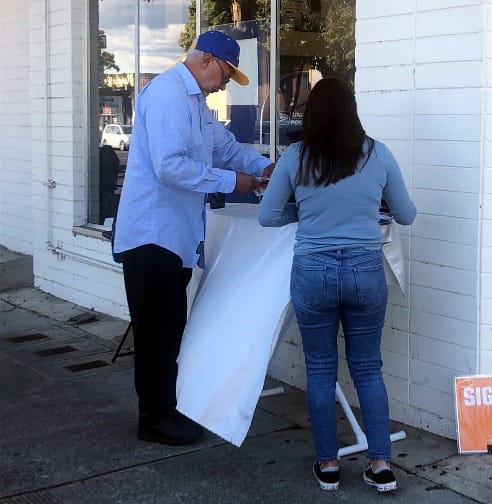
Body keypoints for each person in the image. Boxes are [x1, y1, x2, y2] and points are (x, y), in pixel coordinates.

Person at [113, 30, 274, 446]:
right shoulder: (167, 95)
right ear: (205, 61)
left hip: (176, 239)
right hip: (153, 236)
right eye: (225, 73)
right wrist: (233, 182)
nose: (225, 83)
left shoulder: (197, 104)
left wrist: (266, 167)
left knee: (169, 330)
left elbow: (227, 148)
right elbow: (171, 167)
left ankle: (168, 409)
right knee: (154, 334)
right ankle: (153, 419)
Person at [258, 77, 416, 492]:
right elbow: (407, 214)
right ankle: (380, 464)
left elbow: (267, 216)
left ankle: (328, 465)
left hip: (313, 271)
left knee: (321, 370)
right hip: (365, 270)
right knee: (368, 368)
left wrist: (306, 214)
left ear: (311, 112)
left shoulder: (296, 156)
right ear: (353, 110)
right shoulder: (378, 154)